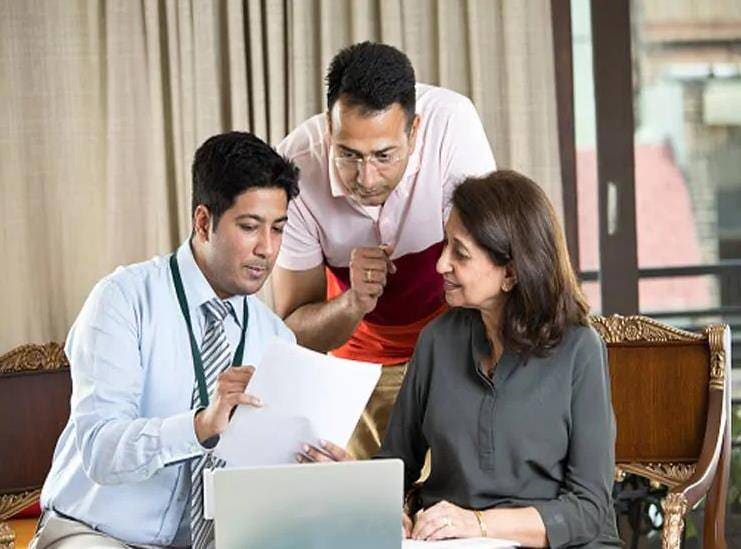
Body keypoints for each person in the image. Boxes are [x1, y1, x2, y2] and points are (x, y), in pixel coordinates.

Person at [302, 170, 622, 548]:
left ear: (511, 272)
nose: (441, 264)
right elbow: (399, 463)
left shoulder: (580, 349)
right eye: (445, 245)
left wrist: (479, 524)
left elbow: (588, 508)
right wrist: (359, 485)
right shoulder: (437, 340)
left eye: (461, 253)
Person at [32, 132, 299, 549]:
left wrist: (314, 469)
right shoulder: (122, 300)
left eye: (278, 229)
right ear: (203, 222)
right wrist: (200, 426)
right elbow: (101, 450)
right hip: (96, 533)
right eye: (249, 227)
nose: (267, 248)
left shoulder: (277, 339)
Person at [272, 41, 496, 459]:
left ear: (414, 131)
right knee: (361, 492)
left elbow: (488, 270)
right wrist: (353, 301)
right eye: (348, 155)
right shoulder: (294, 168)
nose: (367, 178)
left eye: (384, 155)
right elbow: (295, 333)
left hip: (453, 338)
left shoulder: (452, 124)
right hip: (358, 359)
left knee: (453, 486)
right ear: (328, 131)